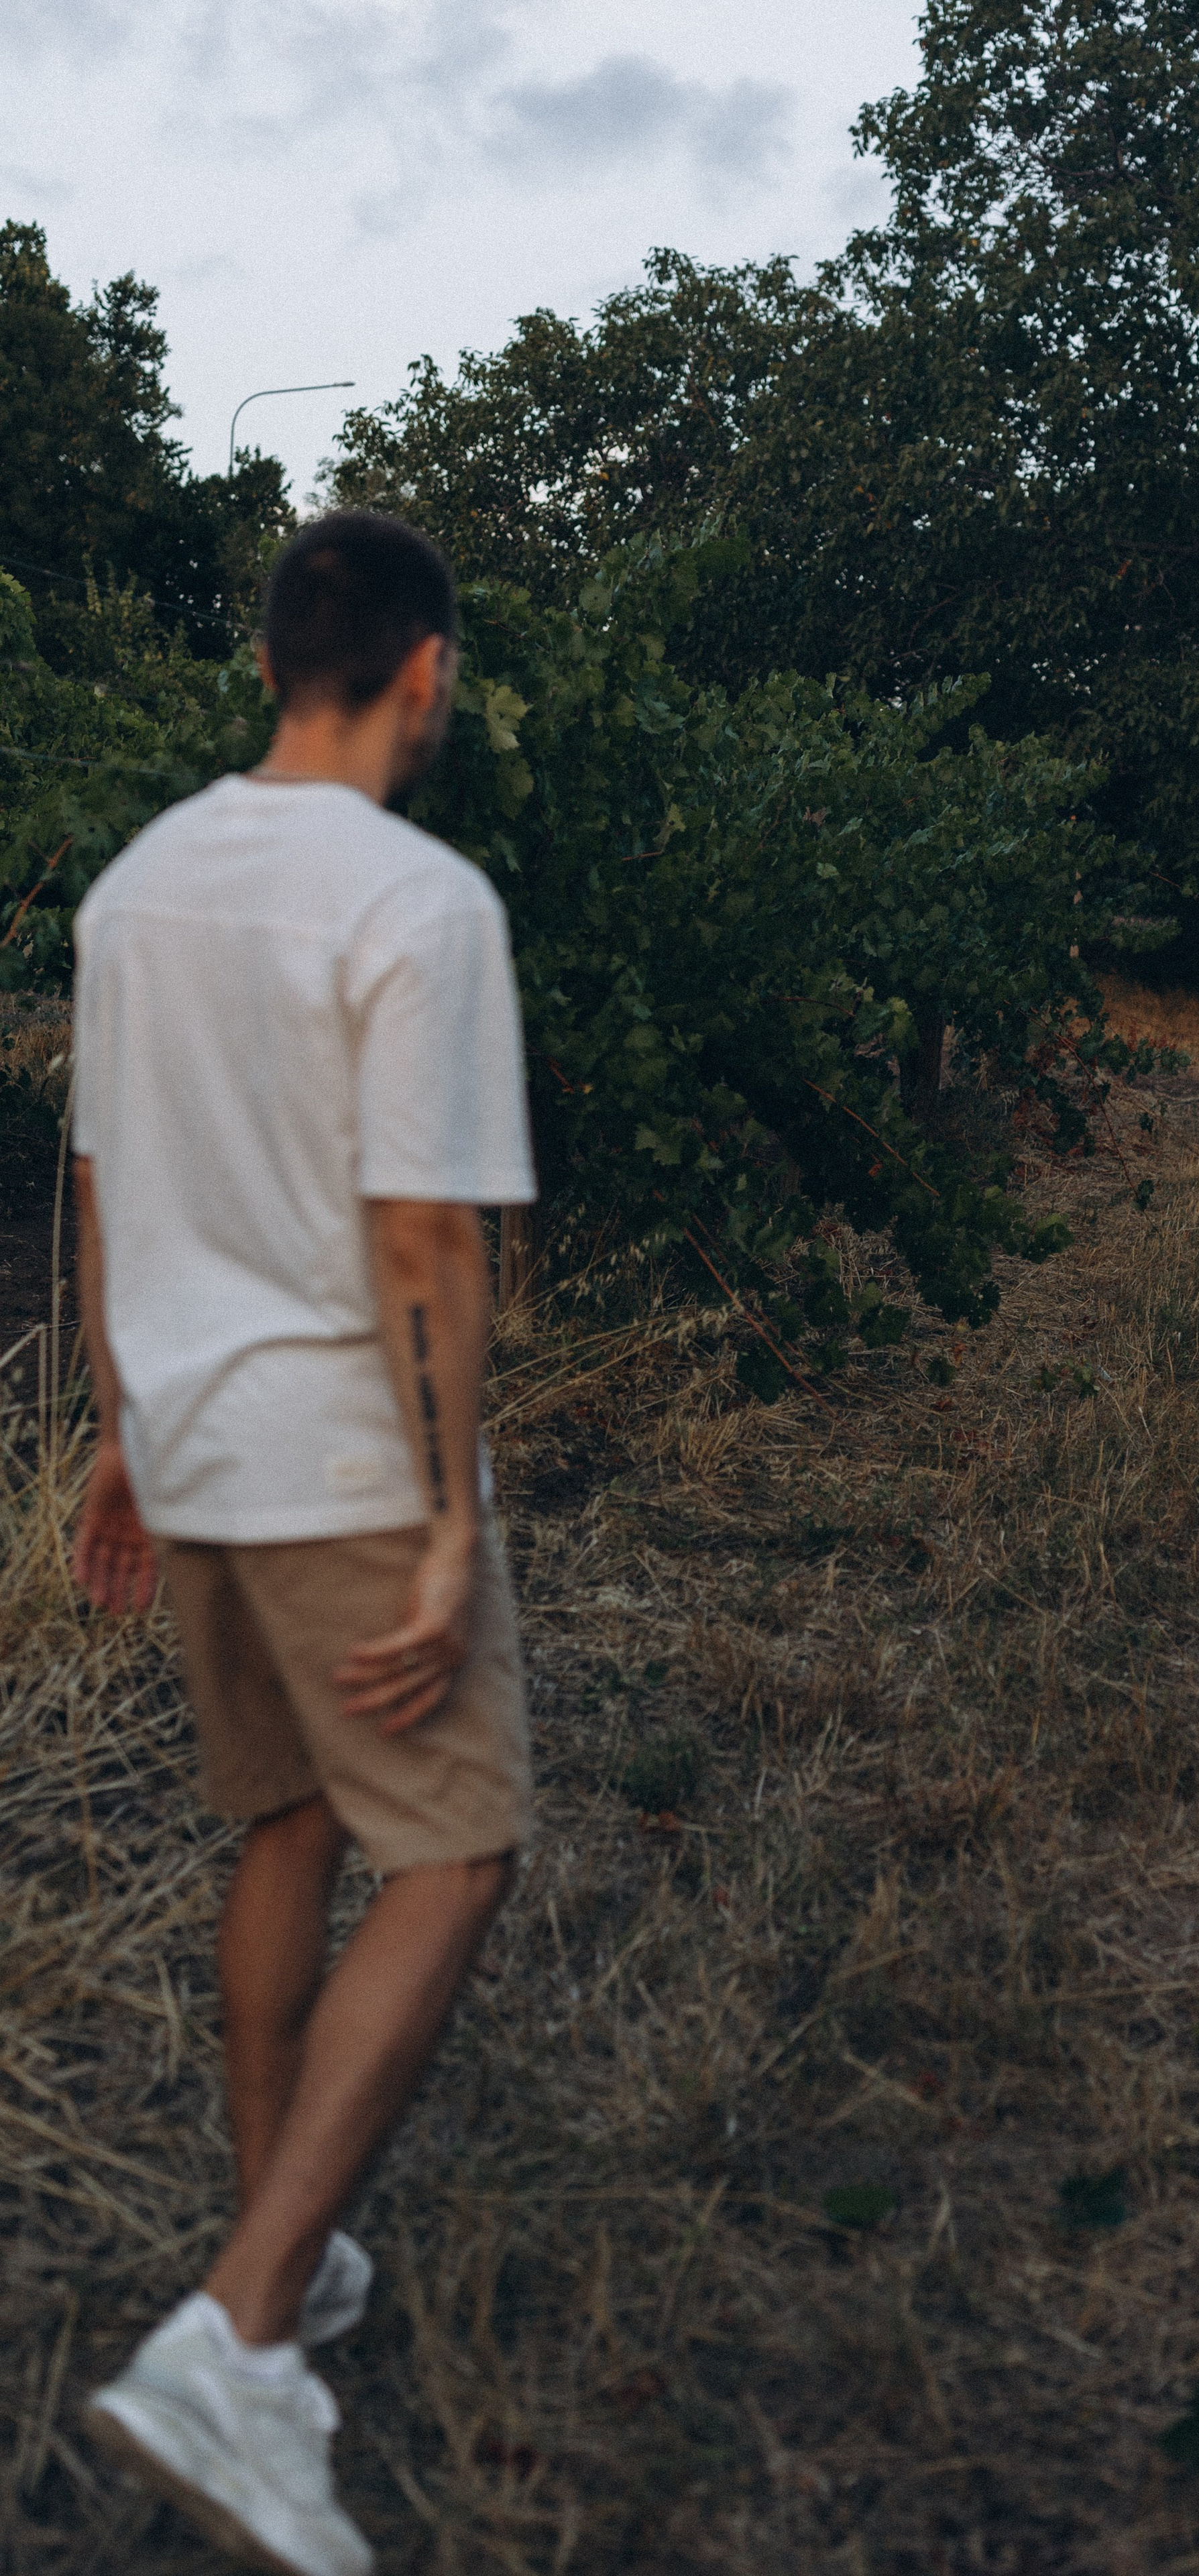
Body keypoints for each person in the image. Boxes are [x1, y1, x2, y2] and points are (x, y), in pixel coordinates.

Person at [73, 511, 537, 2576]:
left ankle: (281, 2247)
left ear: (274, 660)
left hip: (190, 1444)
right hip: (347, 1455)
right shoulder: (418, 901)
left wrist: (113, 1426)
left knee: (285, 1824)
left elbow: (96, 1179)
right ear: (423, 669)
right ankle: (242, 2335)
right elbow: (427, 1229)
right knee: (454, 1842)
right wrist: (449, 1517)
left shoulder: (137, 884)